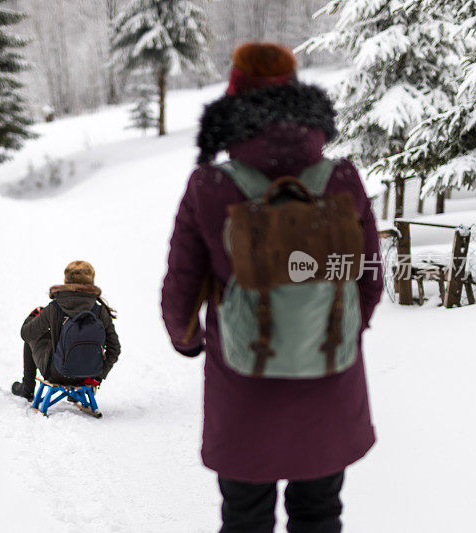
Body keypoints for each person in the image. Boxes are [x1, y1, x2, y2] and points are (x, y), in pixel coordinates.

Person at [160, 43, 383, 533]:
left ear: (234, 95)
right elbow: (368, 274)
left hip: (243, 378)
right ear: (298, 94)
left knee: (245, 517)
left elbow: (181, 284)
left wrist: (188, 338)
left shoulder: (211, 185)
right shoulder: (341, 178)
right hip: (329, 368)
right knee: (320, 514)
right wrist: (344, 326)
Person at [11, 260, 121, 401]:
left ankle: (27, 387)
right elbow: (114, 348)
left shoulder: (55, 307)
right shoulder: (99, 310)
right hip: (88, 375)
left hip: (55, 372)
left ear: (66, 280)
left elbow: (26, 334)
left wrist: (34, 316)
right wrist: (97, 377)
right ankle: (79, 391)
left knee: (32, 330)